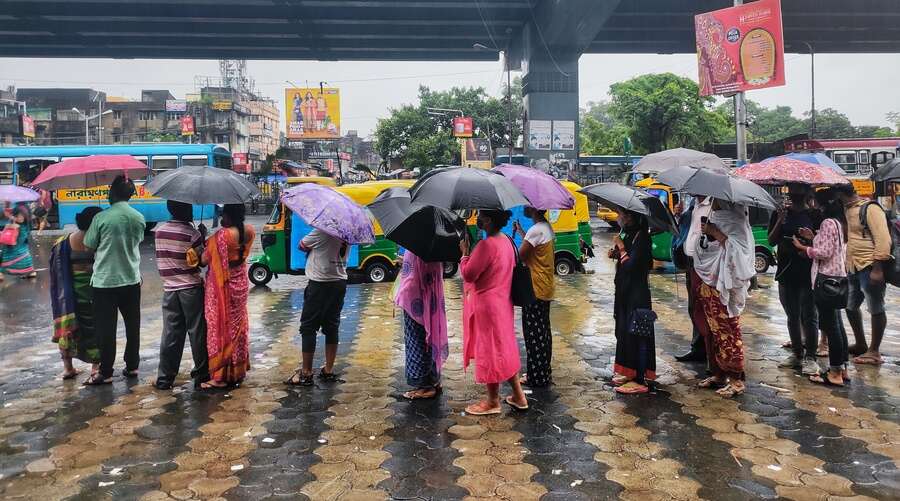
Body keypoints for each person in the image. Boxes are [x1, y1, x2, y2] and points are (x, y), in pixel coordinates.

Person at [459, 209, 528, 415]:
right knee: (504, 348)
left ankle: (492, 401)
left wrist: (464, 255)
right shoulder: (506, 240)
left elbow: (469, 274)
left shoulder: (486, 245)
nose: (478, 218)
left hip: (487, 306)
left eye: (480, 215)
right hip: (503, 303)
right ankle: (519, 396)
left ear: (488, 220)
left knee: (490, 350)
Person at [82, 176, 145, 385]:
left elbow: (88, 246)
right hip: (131, 279)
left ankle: (106, 372)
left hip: (104, 282)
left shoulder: (101, 218)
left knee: (106, 329)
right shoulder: (139, 217)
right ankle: (132, 365)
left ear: (113, 193)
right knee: (132, 325)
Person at [693, 200, 755, 398]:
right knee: (714, 331)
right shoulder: (714, 217)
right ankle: (719, 374)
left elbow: (739, 254)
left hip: (725, 285)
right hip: (709, 282)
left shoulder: (736, 222)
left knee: (729, 330)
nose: (713, 202)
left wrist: (716, 233)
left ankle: (736, 379)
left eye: (716, 199)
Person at [792, 188, 849, 386]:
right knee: (837, 325)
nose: (812, 205)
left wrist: (804, 248)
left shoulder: (827, 223)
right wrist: (813, 236)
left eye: (814, 202)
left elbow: (824, 252)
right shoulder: (840, 223)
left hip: (826, 280)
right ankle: (843, 368)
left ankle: (834, 373)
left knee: (831, 326)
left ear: (822, 205)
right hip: (838, 278)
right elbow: (832, 247)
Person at [832, 184, 891, 365]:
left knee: (876, 307)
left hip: (869, 265)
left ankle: (874, 351)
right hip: (853, 265)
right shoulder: (847, 210)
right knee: (850, 307)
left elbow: (883, 238)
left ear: (841, 194)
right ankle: (860, 343)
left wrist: (878, 268)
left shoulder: (870, 208)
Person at [154, 201, 210, 390]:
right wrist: (202, 238)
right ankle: (202, 374)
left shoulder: (159, 232)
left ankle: (165, 378)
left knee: (171, 334)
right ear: (185, 210)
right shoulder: (191, 234)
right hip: (191, 288)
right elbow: (200, 263)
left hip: (169, 289)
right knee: (197, 332)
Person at [285, 227, 349, 387]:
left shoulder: (322, 231)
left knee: (308, 327)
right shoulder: (347, 231)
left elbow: (301, 245)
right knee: (332, 326)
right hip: (339, 283)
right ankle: (328, 369)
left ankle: (306, 373)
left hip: (319, 284)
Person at [769, 184, 821, 375]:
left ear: (807, 193)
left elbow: (822, 244)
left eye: (799, 191)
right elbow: (771, 240)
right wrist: (780, 221)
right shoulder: (780, 214)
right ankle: (797, 353)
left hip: (809, 270)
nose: (795, 195)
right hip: (786, 270)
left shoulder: (816, 215)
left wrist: (809, 241)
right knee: (792, 315)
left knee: (810, 315)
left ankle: (811, 357)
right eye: (792, 191)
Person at [202, 203, 255, 388]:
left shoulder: (222, 236)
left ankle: (222, 375)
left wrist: (204, 239)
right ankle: (237, 371)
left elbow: (203, 260)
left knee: (221, 327)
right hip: (240, 284)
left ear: (230, 216)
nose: (222, 218)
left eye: (223, 215)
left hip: (223, 289)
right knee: (238, 328)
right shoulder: (249, 231)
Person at [49, 207, 103, 380]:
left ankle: (68, 368)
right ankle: (96, 367)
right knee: (95, 329)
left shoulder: (62, 243)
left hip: (67, 296)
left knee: (68, 329)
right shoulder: (98, 242)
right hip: (92, 294)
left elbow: (55, 273)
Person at [608, 208, 656, 394]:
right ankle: (629, 370)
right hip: (624, 293)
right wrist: (617, 252)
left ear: (631, 217)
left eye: (623, 214)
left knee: (637, 333)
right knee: (624, 331)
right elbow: (624, 259)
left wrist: (621, 247)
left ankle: (640, 379)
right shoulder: (629, 234)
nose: (620, 218)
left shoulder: (642, 237)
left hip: (637, 294)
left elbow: (633, 266)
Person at [395, 251, 448, 400]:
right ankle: (434, 380)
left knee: (417, 342)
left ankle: (425, 386)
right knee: (431, 340)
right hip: (432, 302)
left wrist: (401, 293)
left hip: (415, 302)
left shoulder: (416, 247)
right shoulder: (434, 247)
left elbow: (413, 279)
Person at [512, 207, 555, 387]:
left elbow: (520, 255)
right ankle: (543, 372)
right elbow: (534, 250)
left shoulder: (536, 230)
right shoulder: (545, 227)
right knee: (543, 332)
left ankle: (536, 376)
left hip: (534, 288)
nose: (525, 208)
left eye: (528, 205)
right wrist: (522, 232)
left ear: (534, 208)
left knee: (533, 334)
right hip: (544, 286)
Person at [675, 195, 712, 363]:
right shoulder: (693, 204)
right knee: (693, 307)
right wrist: (679, 215)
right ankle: (697, 348)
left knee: (706, 308)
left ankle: (710, 352)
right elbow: (686, 228)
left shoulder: (713, 205)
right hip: (690, 262)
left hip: (705, 264)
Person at [0, 205, 36, 279]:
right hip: (21, 246)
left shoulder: (16, 225)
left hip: (15, 247)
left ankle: (1, 273)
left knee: (9, 259)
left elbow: (5, 233)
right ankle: (30, 272)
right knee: (25, 258)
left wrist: (10, 221)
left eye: (22, 216)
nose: (21, 218)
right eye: (19, 216)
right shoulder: (26, 224)